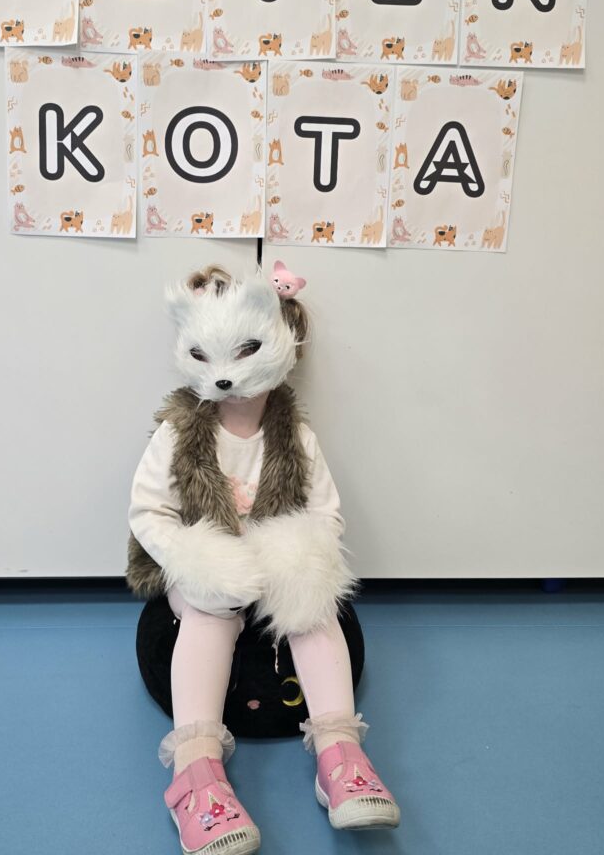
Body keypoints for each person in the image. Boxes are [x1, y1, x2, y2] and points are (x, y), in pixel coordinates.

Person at [127, 263, 400, 854]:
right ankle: (194, 775)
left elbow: (325, 514)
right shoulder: (178, 433)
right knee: (208, 612)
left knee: (313, 607)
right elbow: (149, 513)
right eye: (207, 356)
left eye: (246, 351)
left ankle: (340, 753)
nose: (227, 377)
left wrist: (294, 559)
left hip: (271, 563)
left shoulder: (294, 436)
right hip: (204, 564)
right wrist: (197, 559)